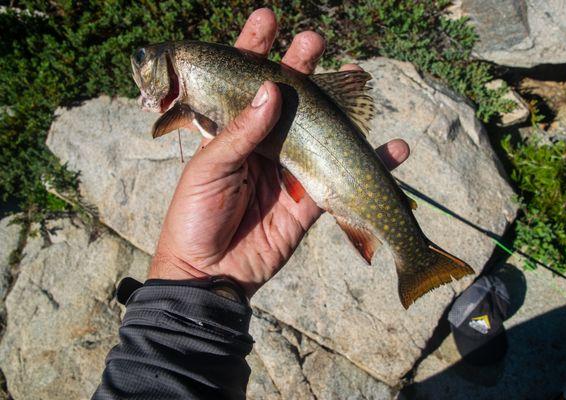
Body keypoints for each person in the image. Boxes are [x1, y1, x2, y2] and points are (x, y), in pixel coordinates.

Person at [92, 8, 410, 399]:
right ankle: (411, 254)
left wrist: (185, 276)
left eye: (143, 60)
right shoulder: (188, 69)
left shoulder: (186, 67)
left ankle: (414, 258)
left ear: (166, 66)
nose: (140, 63)